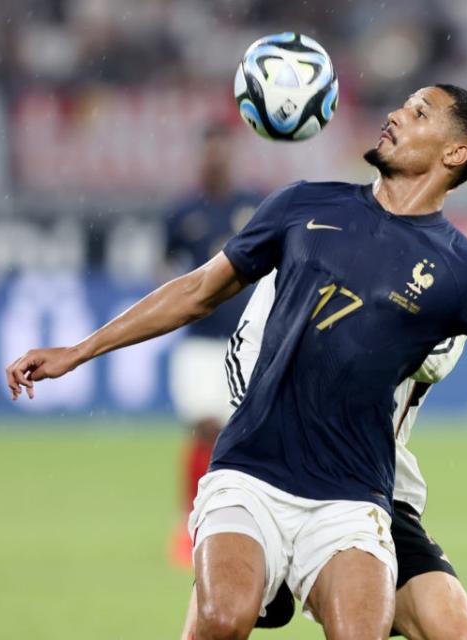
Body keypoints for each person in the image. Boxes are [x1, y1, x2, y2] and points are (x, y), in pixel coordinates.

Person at [6, 84, 467, 640]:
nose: (397, 114)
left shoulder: (466, 273)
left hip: (352, 494)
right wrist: (79, 351)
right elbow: (198, 289)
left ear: (456, 154)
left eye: (420, 112)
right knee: (222, 618)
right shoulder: (303, 204)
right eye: (403, 104)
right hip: (252, 469)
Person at [179, 269, 467, 639]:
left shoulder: (442, 268)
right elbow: (245, 348)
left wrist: (345, 314)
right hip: (270, 468)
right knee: (218, 618)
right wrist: (271, 427)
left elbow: (437, 358)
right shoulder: (306, 242)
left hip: (367, 480)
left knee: (455, 631)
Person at [161, 123, 263, 566]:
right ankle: (190, 523)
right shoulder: (182, 212)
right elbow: (164, 267)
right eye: (211, 151)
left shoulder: (253, 206)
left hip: (248, 337)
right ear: (202, 155)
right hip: (201, 339)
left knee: (242, 436)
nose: (217, 158)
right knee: (206, 427)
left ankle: (241, 526)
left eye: (224, 150)